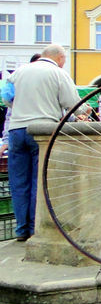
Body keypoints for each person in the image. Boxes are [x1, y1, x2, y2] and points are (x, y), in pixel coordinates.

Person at [7, 46, 79, 241]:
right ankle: (35, 228)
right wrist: (83, 114)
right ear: (59, 57)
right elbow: (72, 104)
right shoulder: (58, 73)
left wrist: (20, 107)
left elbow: (6, 96)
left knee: (19, 182)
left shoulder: (19, 72)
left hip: (16, 130)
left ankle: (21, 229)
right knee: (38, 181)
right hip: (42, 131)